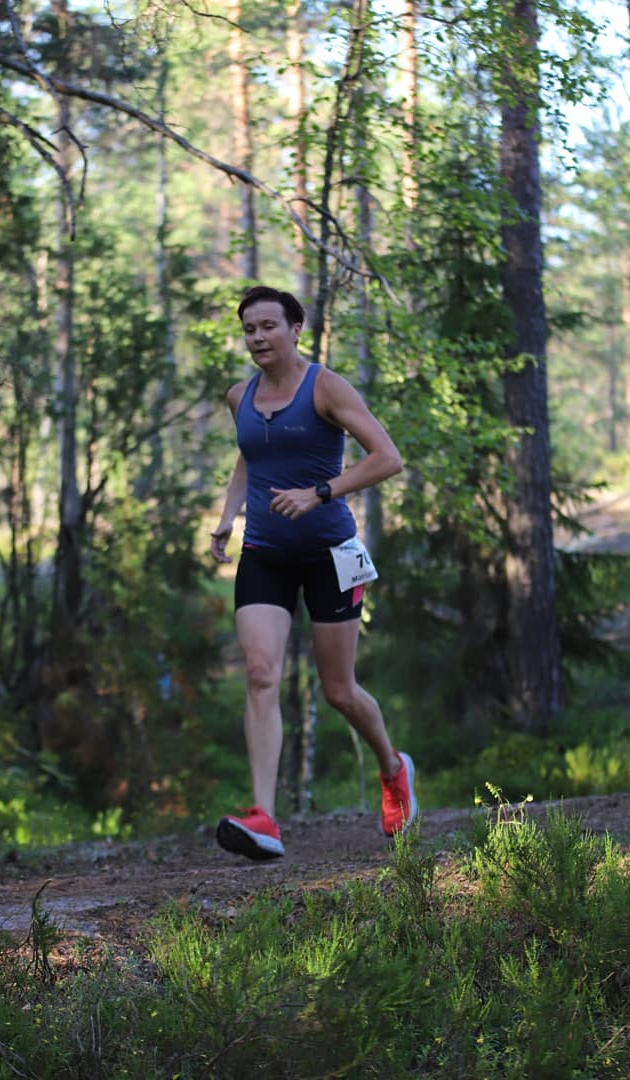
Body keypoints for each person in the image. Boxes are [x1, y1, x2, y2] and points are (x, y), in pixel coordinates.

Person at [209, 284, 417, 860]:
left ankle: (393, 769)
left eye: (268, 326)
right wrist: (227, 517)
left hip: (331, 554)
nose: (258, 338)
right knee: (259, 672)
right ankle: (264, 818)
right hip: (265, 554)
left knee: (339, 691)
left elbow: (388, 458)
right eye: (249, 329)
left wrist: (319, 492)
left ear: (295, 329)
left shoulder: (326, 387)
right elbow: (250, 456)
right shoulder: (240, 396)